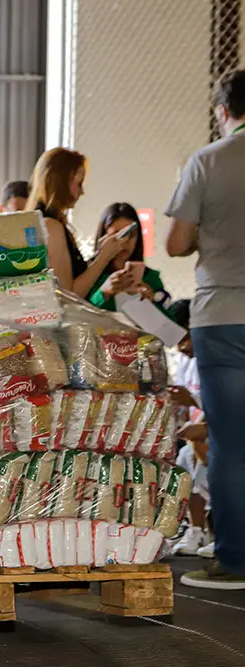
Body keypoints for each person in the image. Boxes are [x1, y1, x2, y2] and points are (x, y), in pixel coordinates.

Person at [165, 69, 245, 590]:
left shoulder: (209, 160)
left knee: (231, 443)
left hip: (223, 314)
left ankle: (235, 559)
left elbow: (175, 243)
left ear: (223, 110)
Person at [26, 148, 127, 297]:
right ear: (61, 183)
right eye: (79, 184)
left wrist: (97, 256)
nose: (82, 192)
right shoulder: (51, 227)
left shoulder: (45, 222)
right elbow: (68, 296)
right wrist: (103, 258)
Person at [167, 300, 212, 557]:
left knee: (210, 460)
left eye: (185, 337)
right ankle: (198, 530)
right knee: (186, 460)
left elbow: (225, 403)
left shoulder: (219, 358)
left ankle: (219, 530)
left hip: (221, 430)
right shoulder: (185, 361)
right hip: (200, 429)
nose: (181, 346)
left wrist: (203, 427)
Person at [87, 203, 175, 318]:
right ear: (104, 238)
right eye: (118, 235)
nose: (124, 242)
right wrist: (103, 293)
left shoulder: (150, 278)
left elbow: (170, 324)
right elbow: (79, 313)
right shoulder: (88, 276)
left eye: (131, 235)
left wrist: (152, 301)